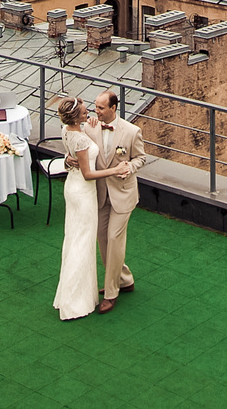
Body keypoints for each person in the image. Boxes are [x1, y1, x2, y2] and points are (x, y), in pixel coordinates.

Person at [50, 96, 125, 320]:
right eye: (84, 112)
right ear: (75, 117)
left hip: (74, 188)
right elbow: (88, 174)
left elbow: (72, 156)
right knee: (82, 242)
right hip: (83, 193)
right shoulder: (80, 139)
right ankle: (74, 301)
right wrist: (115, 170)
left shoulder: (67, 130)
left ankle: (73, 296)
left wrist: (68, 158)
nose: (89, 113)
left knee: (74, 239)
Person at [92, 89, 145, 301]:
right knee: (103, 239)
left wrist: (129, 168)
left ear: (113, 108)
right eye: (95, 107)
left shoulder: (132, 131)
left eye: (101, 108)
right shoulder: (91, 128)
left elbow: (140, 158)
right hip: (101, 194)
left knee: (114, 238)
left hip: (123, 194)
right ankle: (124, 279)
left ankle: (111, 292)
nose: (96, 111)